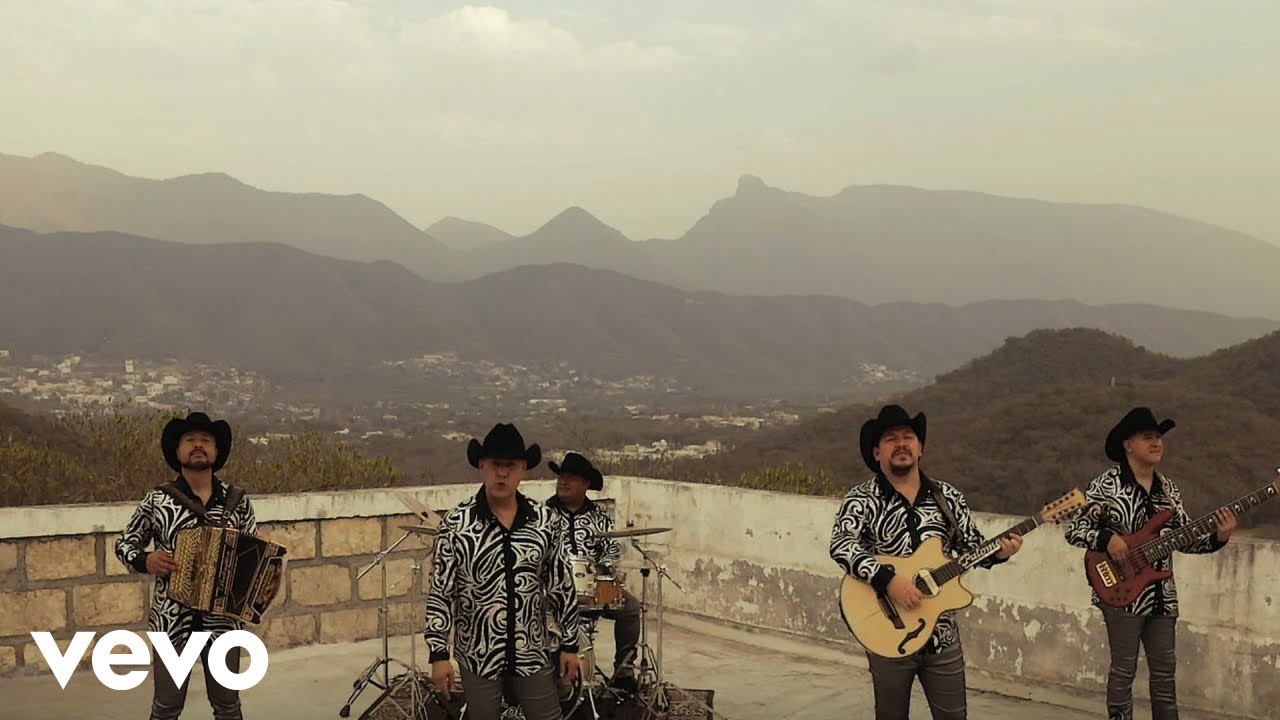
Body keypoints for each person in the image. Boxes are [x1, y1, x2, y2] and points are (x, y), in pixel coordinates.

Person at [829, 404, 1022, 720]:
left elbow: (971, 547)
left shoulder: (948, 497)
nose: (901, 444)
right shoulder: (861, 499)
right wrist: (889, 580)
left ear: (920, 448)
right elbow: (841, 545)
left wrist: (1000, 553)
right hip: (888, 632)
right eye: (891, 439)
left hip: (941, 634)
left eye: (908, 437)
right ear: (877, 453)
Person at [1065, 407, 1236, 720]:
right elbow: (1075, 530)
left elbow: (1185, 539)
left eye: (1159, 437)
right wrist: (1107, 539)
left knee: (1165, 674)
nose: (1157, 443)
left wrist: (1219, 537)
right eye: (1148, 437)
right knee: (1123, 670)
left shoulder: (1169, 490)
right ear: (1128, 445)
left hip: (1162, 594)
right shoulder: (1105, 486)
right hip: (1119, 590)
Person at [425, 423, 582, 720]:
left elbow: (561, 586)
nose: (502, 473)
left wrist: (570, 644)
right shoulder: (456, 525)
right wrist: (438, 654)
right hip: (478, 655)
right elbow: (441, 593)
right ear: (482, 465)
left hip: (532, 651)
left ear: (523, 469)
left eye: (510, 466)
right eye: (495, 464)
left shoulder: (544, 521)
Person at [115, 411, 257, 720]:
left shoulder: (239, 502)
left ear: (217, 451)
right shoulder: (157, 500)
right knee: (166, 708)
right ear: (177, 451)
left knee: (228, 707)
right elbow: (125, 544)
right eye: (190, 440)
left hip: (224, 623)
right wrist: (146, 560)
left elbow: (253, 557)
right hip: (171, 620)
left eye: (206, 440)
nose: (198, 445)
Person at [545, 452, 641, 692]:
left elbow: (611, 549)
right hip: (553, 589)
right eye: (561, 477)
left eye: (571, 477)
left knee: (630, 608)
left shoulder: (600, 516)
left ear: (586, 484)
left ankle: (624, 672)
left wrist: (603, 569)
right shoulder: (543, 514)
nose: (563, 482)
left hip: (593, 586)